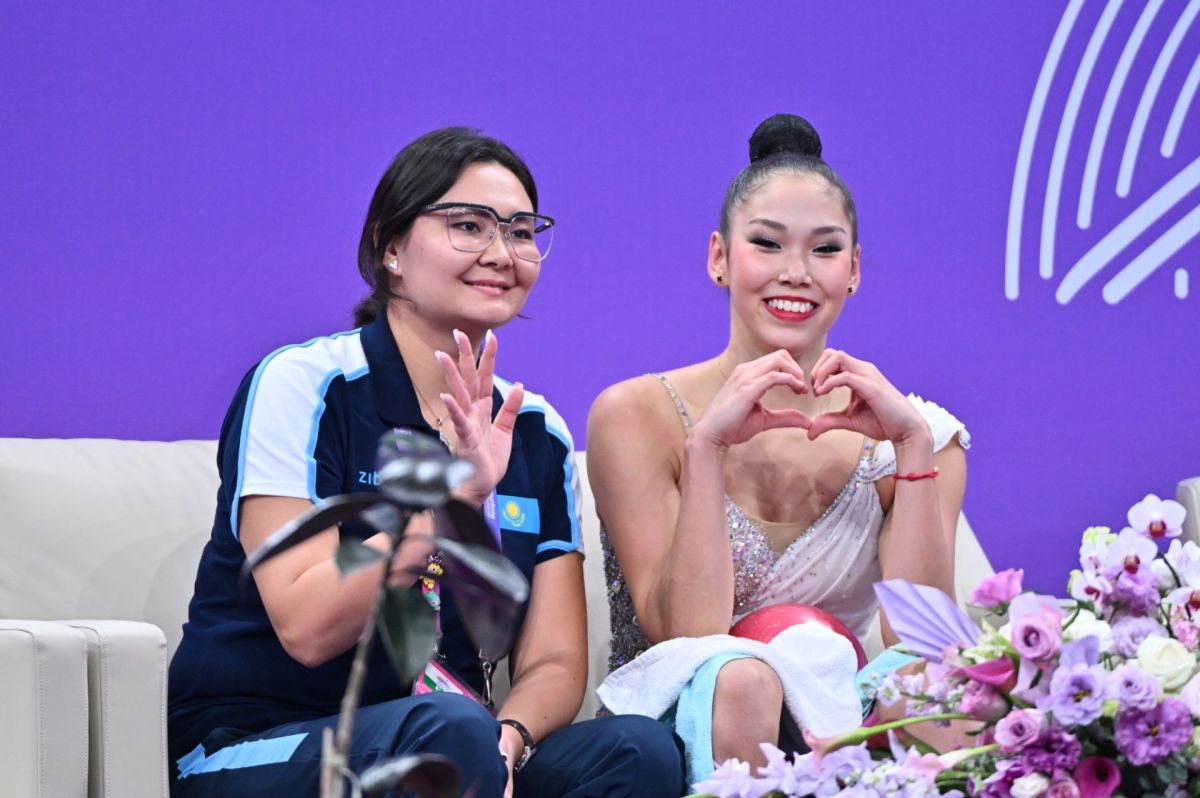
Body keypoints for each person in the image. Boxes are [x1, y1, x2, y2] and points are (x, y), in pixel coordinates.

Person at [167, 127, 686, 798]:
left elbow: (554, 658)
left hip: (458, 743)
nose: (502, 252)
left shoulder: (535, 431)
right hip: (262, 741)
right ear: (390, 249)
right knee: (445, 733)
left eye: (522, 231)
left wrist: (512, 736)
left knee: (637, 751)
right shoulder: (304, 386)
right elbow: (306, 626)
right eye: (468, 225)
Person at [587, 114, 970, 780]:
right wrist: (707, 446)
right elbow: (683, 634)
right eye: (767, 244)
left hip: (838, 708)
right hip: (677, 723)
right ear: (719, 258)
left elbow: (921, 646)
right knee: (741, 677)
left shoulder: (914, 431)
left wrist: (910, 447)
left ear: (853, 271)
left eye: (825, 250)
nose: (796, 273)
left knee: (938, 691)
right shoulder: (637, 415)